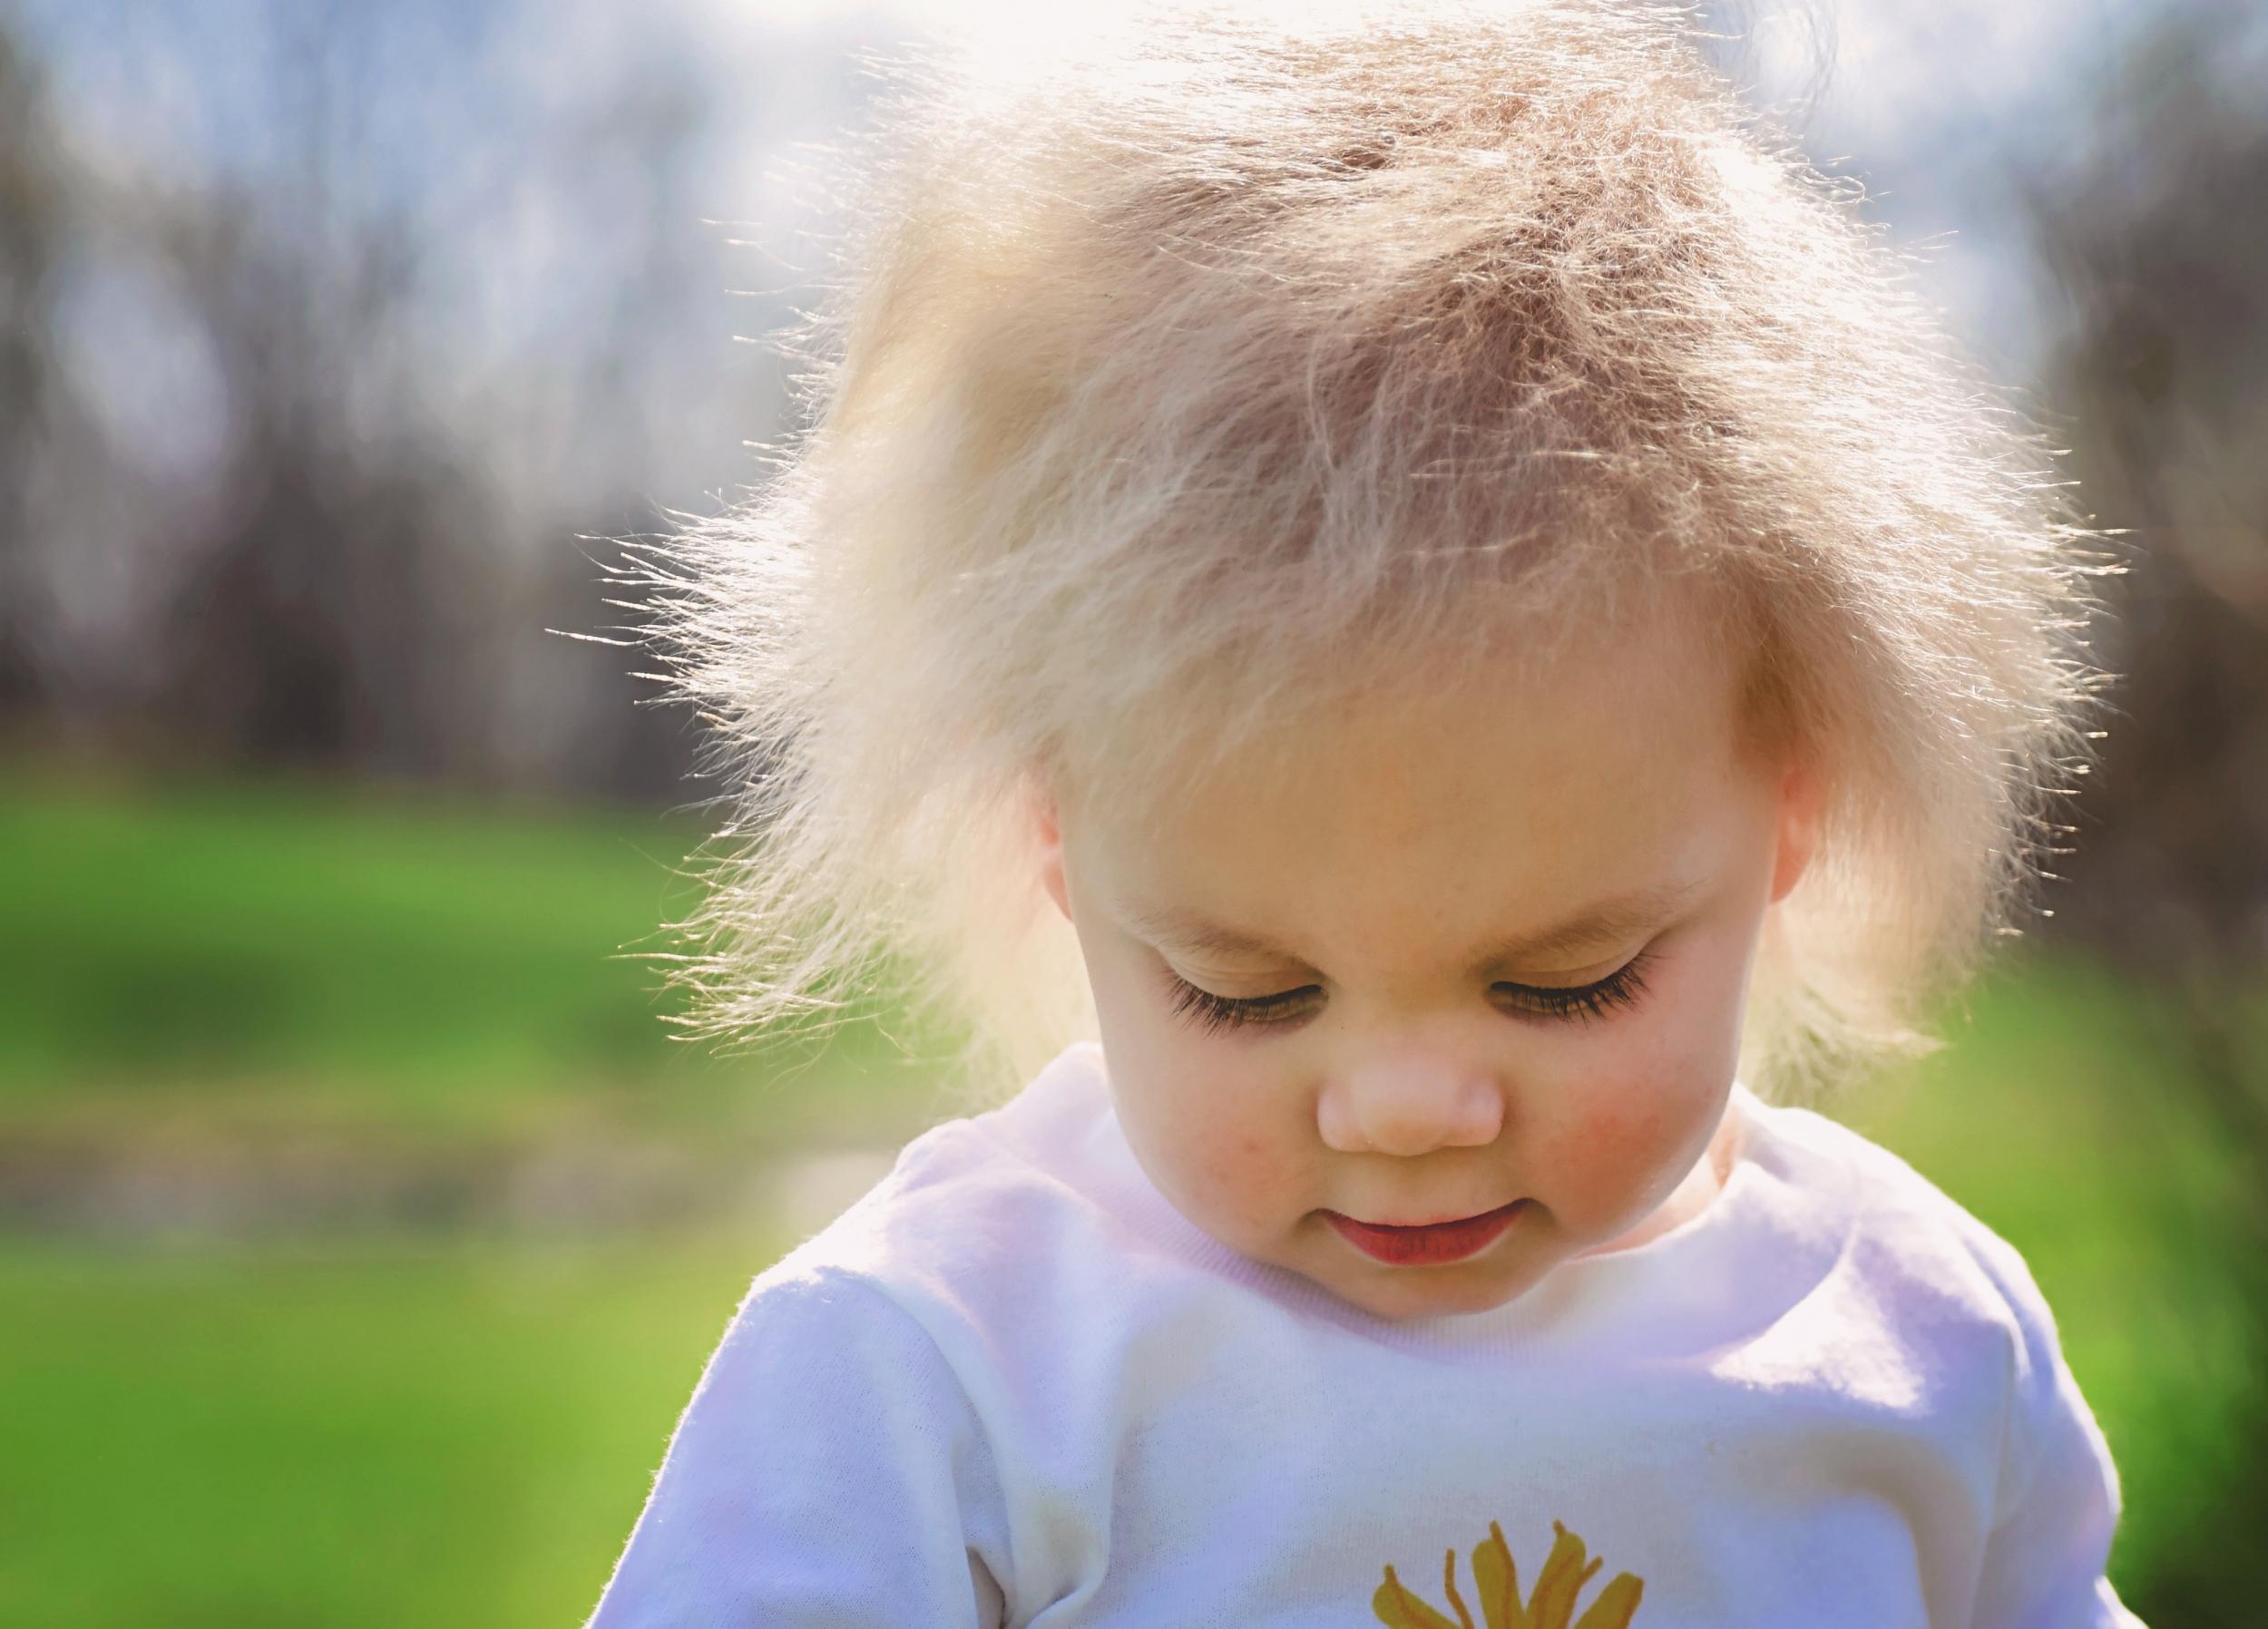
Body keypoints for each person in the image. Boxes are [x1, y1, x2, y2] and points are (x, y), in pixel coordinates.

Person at [585, 1, 2143, 1623]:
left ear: (1792, 811)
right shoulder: (945, 1371)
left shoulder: (1924, 1340)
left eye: (1566, 980)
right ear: (1061, 838)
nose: (1405, 1111)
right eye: (1246, 991)